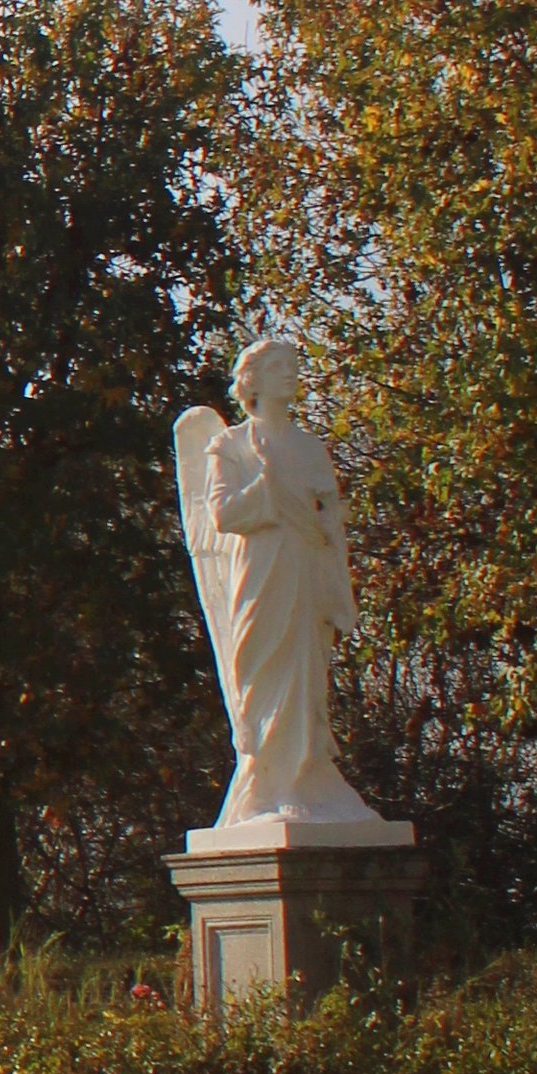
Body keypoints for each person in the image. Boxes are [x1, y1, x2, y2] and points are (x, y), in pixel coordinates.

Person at [172, 332, 369, 827]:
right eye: (280, 366)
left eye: (293, 365)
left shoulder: (310, 447)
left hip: (304, 569)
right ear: (253, 381)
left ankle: (307, 775)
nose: (292, 373)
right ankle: (265, 784)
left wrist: (322, 522)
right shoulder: (228, 445)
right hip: (260, 573)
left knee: (306, 670)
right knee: (261, 670)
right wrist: (270, 487)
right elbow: (221, 514)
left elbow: (329, 518)